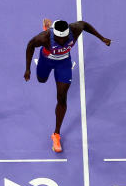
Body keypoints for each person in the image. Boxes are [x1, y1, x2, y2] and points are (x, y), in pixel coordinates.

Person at [24, 18, 111, 152]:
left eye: (65, 38)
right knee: (41, 80)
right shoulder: (44, 38)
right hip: (46, 61)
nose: (63, 41)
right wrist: (28, 69)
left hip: (64, 64)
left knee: (62, 97)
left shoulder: (74, 29)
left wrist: (102, 38)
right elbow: (30, 46)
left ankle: (56, 134)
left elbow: (85, 24)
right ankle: (48, 26)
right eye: (60, 39)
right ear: (54, 34)